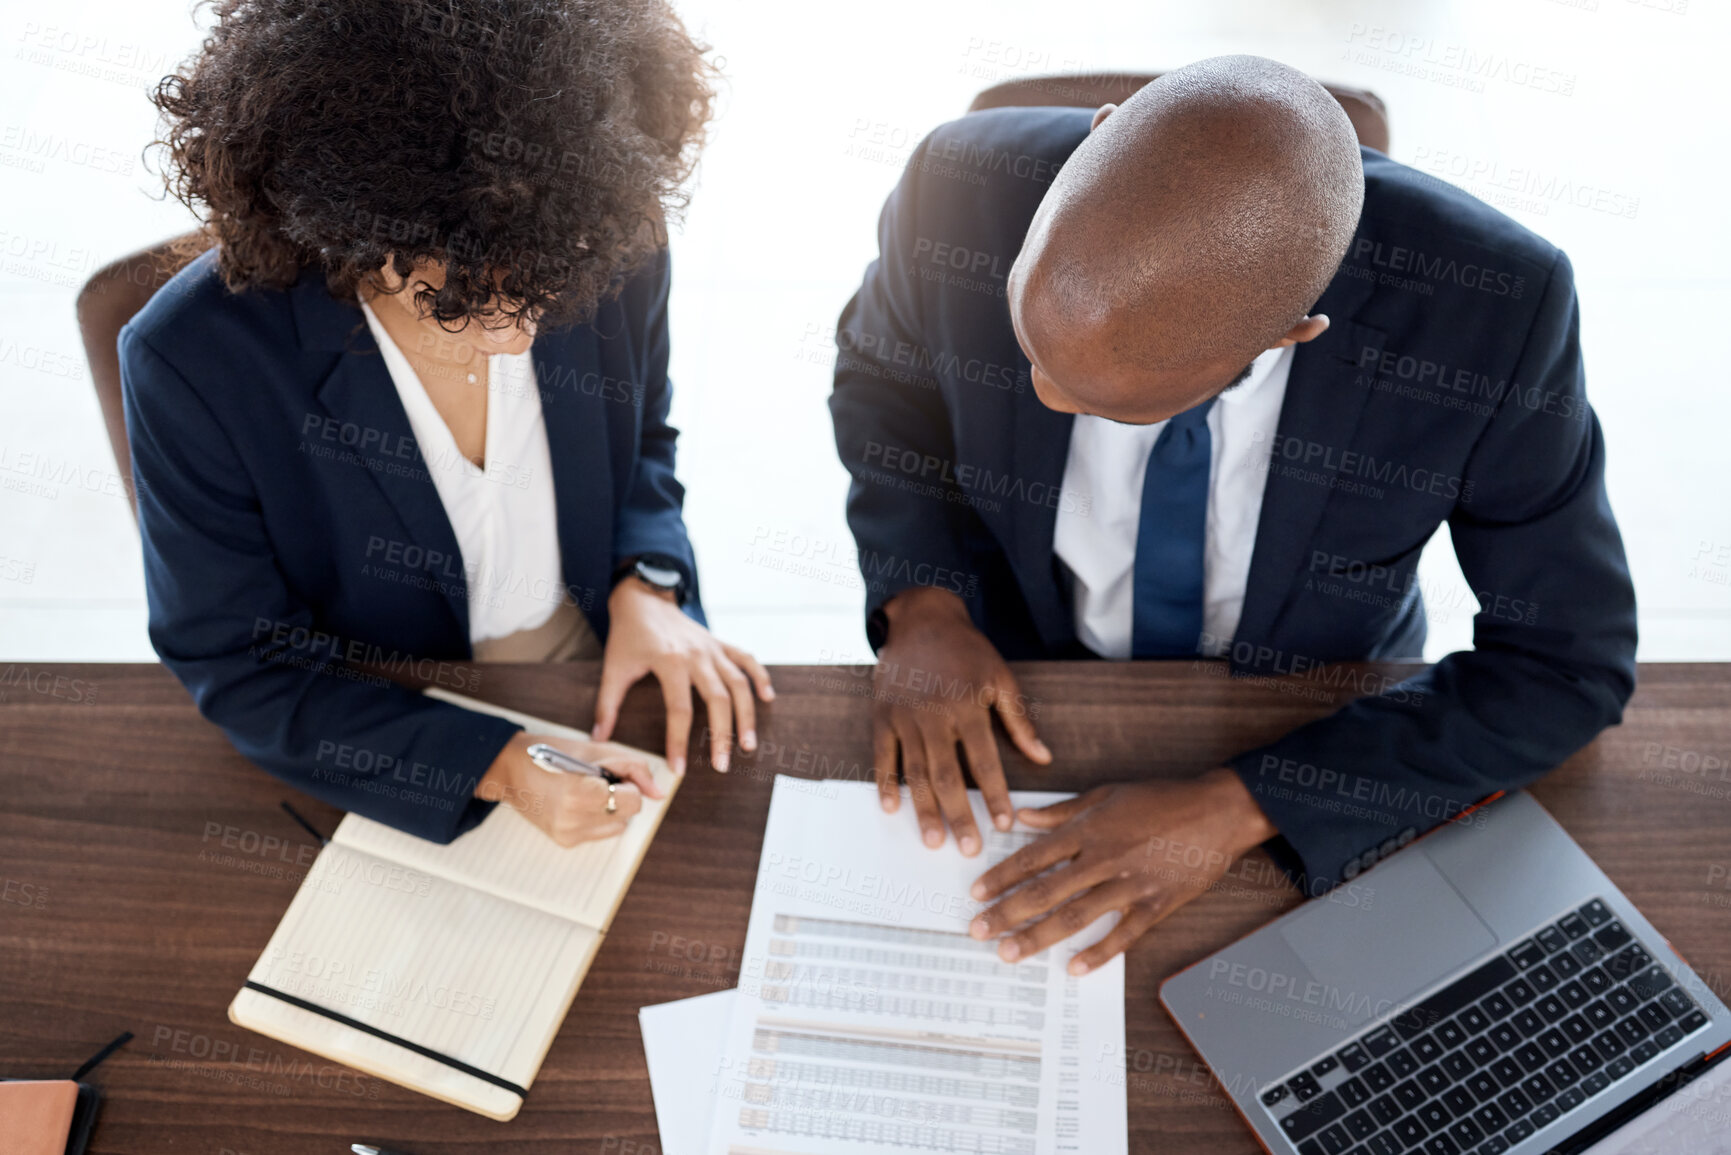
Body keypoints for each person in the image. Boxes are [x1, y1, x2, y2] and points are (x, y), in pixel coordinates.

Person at [829, 55, 1635, 974]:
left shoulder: (1496, 314)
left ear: (1291, 329)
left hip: (1305, 697)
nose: (1043, 396)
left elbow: (1566, 670)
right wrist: (924, 602)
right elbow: (881, 382)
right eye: (1029, 339)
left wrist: (1238, 804)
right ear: (1099, 135)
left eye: (1109, 401)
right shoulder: (954, 186)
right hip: (1025, 667)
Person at [122, 0, 770, 848]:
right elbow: (239, 664)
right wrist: (493, 762)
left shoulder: (601, 227)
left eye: (539, 282)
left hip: (612, 668)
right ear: (351, 226)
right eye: (463, 292)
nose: (520, 332)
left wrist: (649, 581)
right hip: (389, 721)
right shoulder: (194, 360)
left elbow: (644, 436)